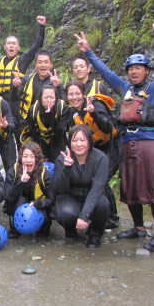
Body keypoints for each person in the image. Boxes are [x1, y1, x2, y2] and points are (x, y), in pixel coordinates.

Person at [75, 20, 154, 252]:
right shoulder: (125, 89)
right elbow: (106, 73)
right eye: (130, 69)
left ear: (146, 71)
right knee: (130, 186)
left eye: (138, 68)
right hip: (127, 142)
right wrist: (88, 51)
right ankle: (138, 227)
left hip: (149, 142)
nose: (134, 72)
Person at [65, 80, 120, 228]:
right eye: (71, 94)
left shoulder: (96, 105)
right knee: (92, 179)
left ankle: (112, 218)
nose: (74, 97)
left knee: (103, 179)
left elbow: (108, 127)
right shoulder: (72, 113)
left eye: (77, 94)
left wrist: (93, 113)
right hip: (94, 149)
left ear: (83, 94)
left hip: (112, 146)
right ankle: (95, 213)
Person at [54, 125, 110, 248]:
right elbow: (58, 189)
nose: (78, 144)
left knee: (103, 204)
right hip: (70, 198)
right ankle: (70, 230)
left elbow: (97, 189)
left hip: (92, 197)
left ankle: (95, 235)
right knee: (64, 211)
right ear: (70, 142)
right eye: (74, 140)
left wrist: (84, 216)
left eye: (83, 140)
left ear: (89, 141)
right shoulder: (62, 158)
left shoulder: (100, 158)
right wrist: (66, 169)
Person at [0, 17, 46, 100]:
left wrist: (42, 26)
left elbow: (37, 46)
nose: (11, 46)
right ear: (4, 47)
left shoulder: (22, 61)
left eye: (14, 43)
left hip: (14, 100)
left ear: (18, 47)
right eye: (9, 43)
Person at [4, 142, 55, 238]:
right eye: (25, 156)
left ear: (37, 158)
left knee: (43, 231)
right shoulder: (13, 171)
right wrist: (21, 183)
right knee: (20, 200)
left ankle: (43, 225)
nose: (28, 160)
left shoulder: (44, 173)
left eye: (32, 156)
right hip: (19, 205)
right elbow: (8, 198)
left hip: (37, 206)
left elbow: (52, 199)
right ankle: (16, 228)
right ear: (21, 158)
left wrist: (38, 203)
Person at [22, 84, 69, 164]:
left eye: (52, 97)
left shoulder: (62, 108)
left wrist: (51, 114)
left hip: (58, 141)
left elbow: (60, 131)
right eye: (45, 97)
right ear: (40, 98)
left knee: (59, 163)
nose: (48, 100)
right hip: (40, 141)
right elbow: (32, 131)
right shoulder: (33, 110)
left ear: (56, 98)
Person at [17, 51, 65, 124]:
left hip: (49, 121)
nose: (43, 65)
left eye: (46, 62)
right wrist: (15, 87)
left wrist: (58, 86)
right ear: (36, 65)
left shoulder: (56, 82)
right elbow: (14, 98)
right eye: (40, 62)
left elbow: (64, 102)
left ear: (51, 64)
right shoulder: (27, 80)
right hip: (28, 120)